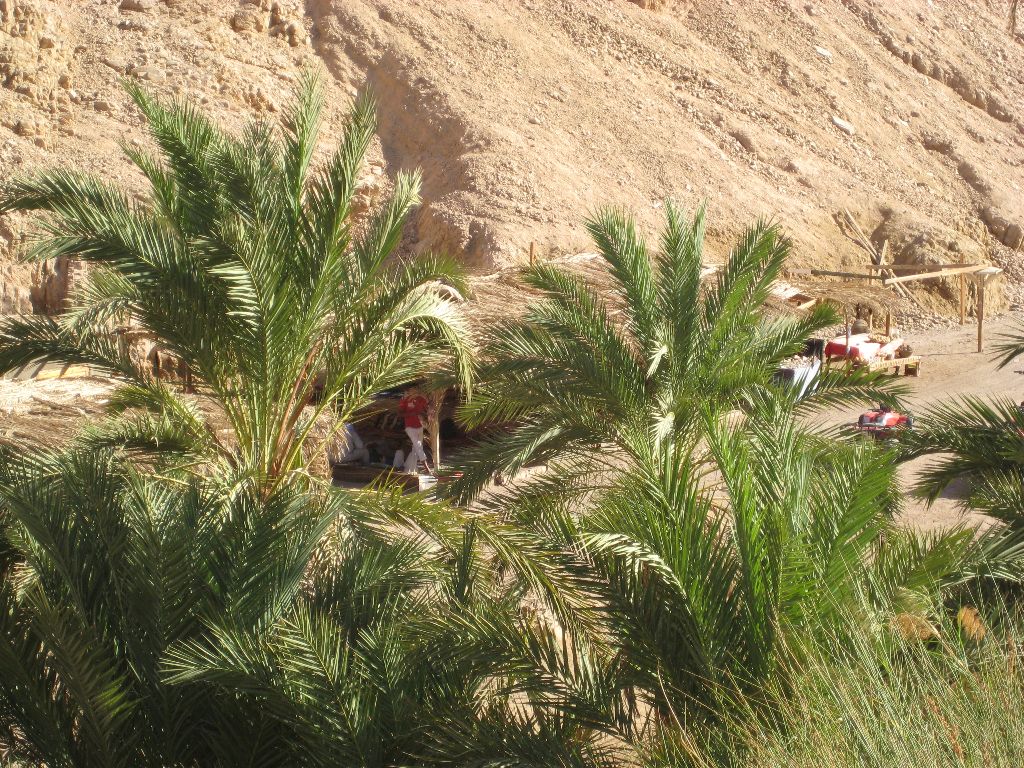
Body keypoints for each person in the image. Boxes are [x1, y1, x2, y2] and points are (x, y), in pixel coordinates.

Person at [398, 389, 431, 474]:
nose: (413, 391)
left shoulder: (420, 399)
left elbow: (428, 407)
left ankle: (408, 468)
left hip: (420, 427)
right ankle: (427, 469)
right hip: (410, 427)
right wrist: (411, 414)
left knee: (416, 449)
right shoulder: (404, 399)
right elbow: (400, 413)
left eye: (415, 389)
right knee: (418, 447)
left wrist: (425, 415)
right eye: (411, 390)